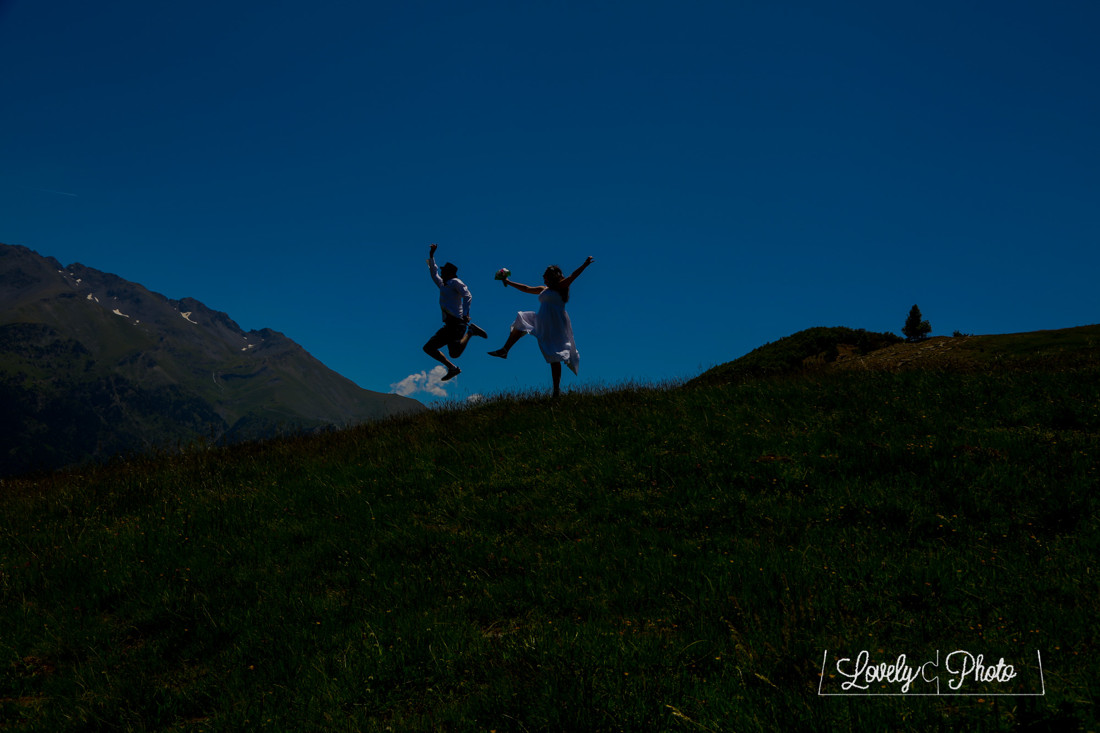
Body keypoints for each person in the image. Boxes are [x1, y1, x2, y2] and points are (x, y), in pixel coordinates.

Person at [488, 256, 594, 397]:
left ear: (551, 277)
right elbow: (526, 288)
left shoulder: (560, 287)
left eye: (545, 275)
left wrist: (585, 265)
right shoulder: (543, 289)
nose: (543, 277)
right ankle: (504, 350)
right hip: (542, 320)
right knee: (521, 319)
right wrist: (508, 282)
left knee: (555, 356)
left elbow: (572, 276)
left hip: (555, 324)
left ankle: (556, 391)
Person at [423, 243, 487, 381]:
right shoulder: (443, 284)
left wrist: (465, 314)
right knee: (429, 348)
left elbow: (468, 296)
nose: (442, 273)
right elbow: (434, 273)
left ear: (450, 273)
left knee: (454, 353)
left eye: (444, 271)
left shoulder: (455, 282)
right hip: (449, 325)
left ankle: (471, 332)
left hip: (457, 323)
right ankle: (452, 368)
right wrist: (431, 255)